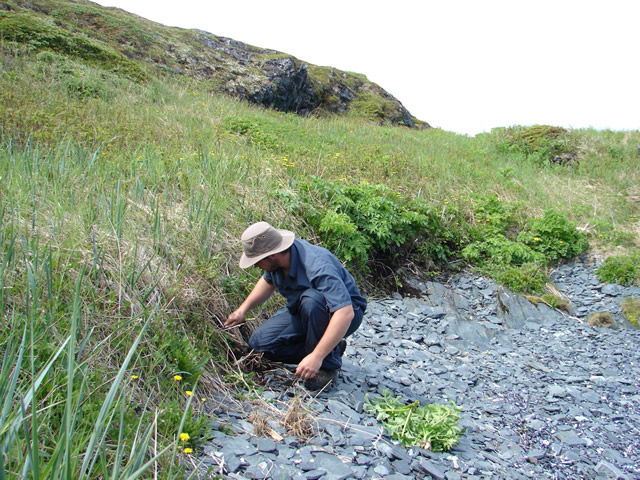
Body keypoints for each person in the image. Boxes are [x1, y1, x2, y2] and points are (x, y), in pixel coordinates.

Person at [225, 221, 366, 390]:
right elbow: (267, 283)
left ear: (272, 255)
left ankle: (327, 365)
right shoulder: (276, 263)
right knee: (260, 345)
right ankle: (331, 347)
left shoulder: (318, 265)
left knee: (312, 299)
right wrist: (242, 310)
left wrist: (317, 356)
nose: (255, 266)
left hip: (343, 313)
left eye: (257, 261)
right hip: (301, 309)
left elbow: (345, 312)